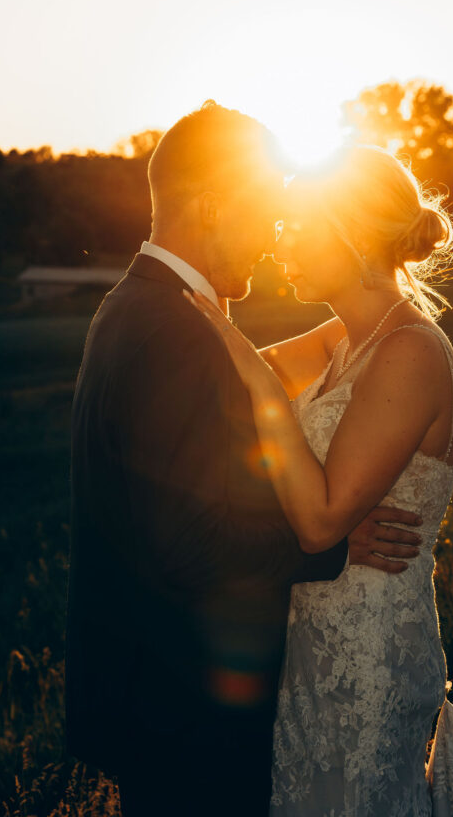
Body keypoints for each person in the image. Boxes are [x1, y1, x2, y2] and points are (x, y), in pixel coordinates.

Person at [65, 103, 424, 817]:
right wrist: (333, 546)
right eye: (262, 211)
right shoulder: (173, 330)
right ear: (210, 205)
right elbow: (188, 544)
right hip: (186, 712)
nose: (272, 237)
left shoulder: (144, 306)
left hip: (160, 700)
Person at [191, 143, 453, 816]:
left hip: (369, 653)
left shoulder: (410, 351)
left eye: (294, 225)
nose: (279, 242)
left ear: (347, 232)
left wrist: (249, 369)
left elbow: (319, 520)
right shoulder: (344, 339)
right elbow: (228, 370)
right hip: (309, 639)